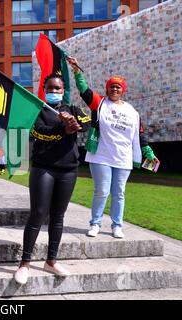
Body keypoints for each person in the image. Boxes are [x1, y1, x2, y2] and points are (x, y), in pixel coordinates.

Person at [67, 57, 157, 239]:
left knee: (119, 193)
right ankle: (95, 224)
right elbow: (84, 90)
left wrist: (149, 153)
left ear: (123, 91)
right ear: (107, 89)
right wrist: (77, 70)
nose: (115, 89)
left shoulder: (133, 112)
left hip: (123, 158)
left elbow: (140, 135)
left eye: (118, 87)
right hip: (101, 155)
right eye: (112, 86)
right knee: (101, 191)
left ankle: (117, 226)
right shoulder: (99, 103)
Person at [14, 73, 91, 285]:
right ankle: (24, 263)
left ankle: (51, 260)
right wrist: (62, 128)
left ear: (64, 91)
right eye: (51, 88)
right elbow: (39, 133)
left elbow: (87, 122)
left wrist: (74, 123)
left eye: (58, 89)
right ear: (44, 89)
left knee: (58, 216)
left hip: (68, 170)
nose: (54, 92)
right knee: (38, 214)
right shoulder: (38, 110)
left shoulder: (72, 109)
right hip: (43, 169)